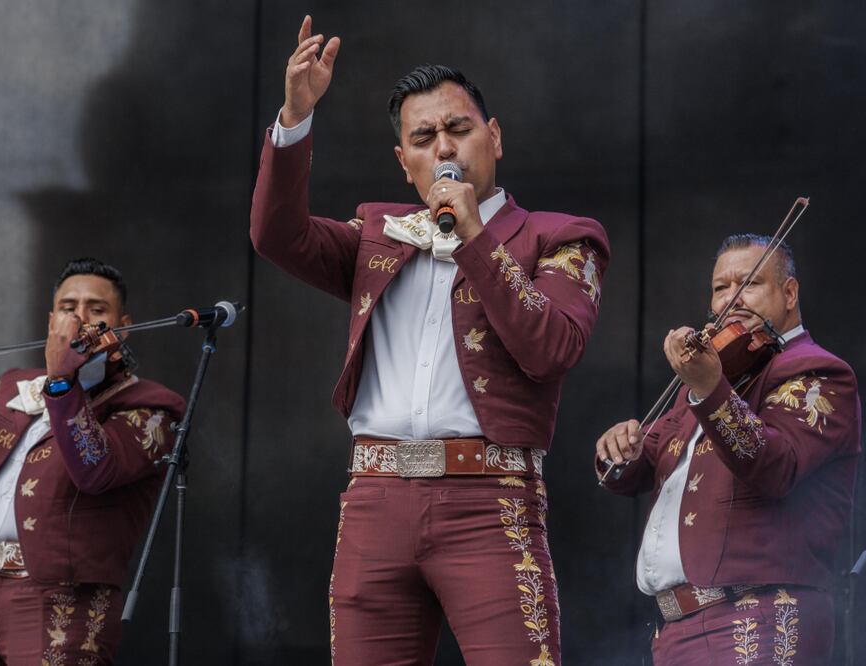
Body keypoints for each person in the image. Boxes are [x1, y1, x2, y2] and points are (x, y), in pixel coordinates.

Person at [249, 15, 609, 666]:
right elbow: (277, 236)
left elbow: (551, 347)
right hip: (374, 499)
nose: (442, 148)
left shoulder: (556, 237)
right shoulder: (377, 236)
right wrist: (295, 116)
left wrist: (474, 234)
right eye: (423, 136)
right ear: (403, 159)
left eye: (458, 129)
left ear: (493, 137)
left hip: (489, 502)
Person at [0, 258, 186, 665]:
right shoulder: (15, 387)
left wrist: (61, 377)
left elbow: (95, 468)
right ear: (52, 320)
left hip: (66, 599)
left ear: (124, 324)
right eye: (68, 308)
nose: (79, 318)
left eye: (96, 309)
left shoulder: (151, 405)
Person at [595, 235, 860, 664]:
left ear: (789, 293)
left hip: (759, 617)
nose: (732, 297)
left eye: (749, 283)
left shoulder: (817, 370)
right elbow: (645, 464)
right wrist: (619, 451)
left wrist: (707, 386)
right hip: (675, 629)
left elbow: (773, 467)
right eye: (721, 287)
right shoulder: (713, 376)